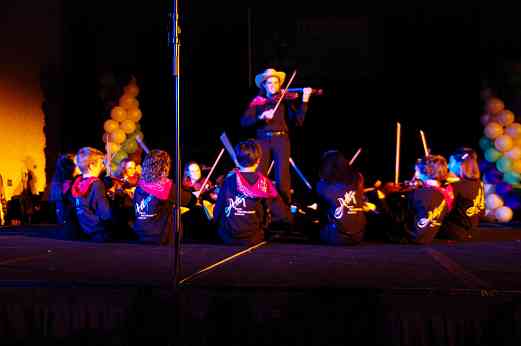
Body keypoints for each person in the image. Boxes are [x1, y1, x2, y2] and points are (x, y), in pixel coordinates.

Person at [241, 68, 312, 205]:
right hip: (262, 140)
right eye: (269, 83)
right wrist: (260, 117)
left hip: (281, 139)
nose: (273, 85)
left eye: (276, 82)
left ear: (280, 85)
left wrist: (304, 101)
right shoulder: (258, 101)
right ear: (264, 86)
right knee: (260, 174)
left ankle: (284, 206)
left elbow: (298, 121)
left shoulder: (285, 100)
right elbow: (244, 122)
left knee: (282, 176)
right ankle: (260, 206)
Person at [214, 140, 289, 245]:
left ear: (237, 160)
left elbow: (217, 212)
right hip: (253, 237)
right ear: (258, 160)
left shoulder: (228, 181)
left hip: (228, 236)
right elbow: (280, 214)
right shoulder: (264, 183)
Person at [133, 150, 194, 245]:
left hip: (142, 233)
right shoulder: (165, 186)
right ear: (165, 167)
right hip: (161, 237)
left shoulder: (140, 185)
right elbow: (190, 200)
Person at [316, 150, 367, 245]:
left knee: (322, 213)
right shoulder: (359, 178)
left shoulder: (323, 185)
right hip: (359, 235)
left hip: (337, 236)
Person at [441, 148, 485, 240]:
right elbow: (481, 211)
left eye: (451, 162)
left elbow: (443, 210)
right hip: (472, 230)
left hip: (454, 230)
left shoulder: (455, 185)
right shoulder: (479, 183)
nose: (448, 166)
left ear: (459, 165)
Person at [71, 147, 112, 242]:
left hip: (83, 230)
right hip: (98, 230)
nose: (103, 167)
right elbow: (104, 212)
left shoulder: (77, 183)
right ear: (91, 166)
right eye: (101, 163)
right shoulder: (97, 184)